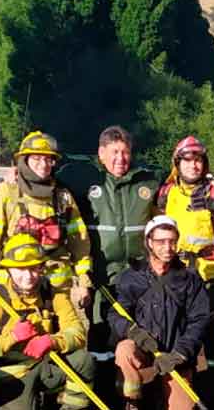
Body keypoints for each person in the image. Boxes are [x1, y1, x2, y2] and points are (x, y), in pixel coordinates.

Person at [54, 125, 160, 398]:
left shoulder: (147, 183)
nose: (120, 159)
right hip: (102, 278)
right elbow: (44, 179)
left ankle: (137, 390)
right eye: (114, 152)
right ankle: (102, 395)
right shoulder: (85, 183)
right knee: (101, 335)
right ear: (101, 154)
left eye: (125, 152)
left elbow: (177, 191)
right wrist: (16, 174)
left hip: (139, 275)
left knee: (139, 332)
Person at [0, 234, 92, 410]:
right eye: (20, 269)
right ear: (8, 270)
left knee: (83, 361)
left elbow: (78, 333)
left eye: (34, 268)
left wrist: (51, 341)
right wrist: (12, 337)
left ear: (42, 268)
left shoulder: (54, 294)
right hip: (13, 373)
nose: (28, 276)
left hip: (47, 365)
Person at [158, 135, 214, 406]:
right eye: (187, 160)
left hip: (207, 276)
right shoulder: (166, 194)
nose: (194, 166)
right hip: (176, 276)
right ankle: (184, 393)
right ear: (177, 163)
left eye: (198, 160)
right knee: (180, 336)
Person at [0, 131, 92, 304]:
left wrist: (84, 282)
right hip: (14, 289)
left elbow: (80, 243)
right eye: (37, 158)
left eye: (48, 159)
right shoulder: (7, 193)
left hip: (57, 289)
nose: (43, 165)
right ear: (24, 160)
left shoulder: (62, 196)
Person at [109, 215, 211, 410]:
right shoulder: (131, 277)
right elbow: (115, 315)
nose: (167, 247)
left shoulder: (189, 278)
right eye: (160, 241)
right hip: (144, 351)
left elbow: (200, 320)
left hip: (175, 358)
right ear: (149, 242)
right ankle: (132, 400)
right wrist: (133, 332)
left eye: (172, 241)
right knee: (124, 350)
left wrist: (180, 353)